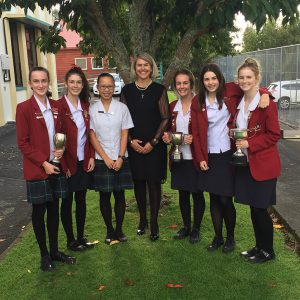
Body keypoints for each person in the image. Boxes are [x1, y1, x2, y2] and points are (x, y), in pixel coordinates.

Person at [191, 63, 270, 253]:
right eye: (207, 79)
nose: (211, 83)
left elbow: (250, 84)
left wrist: (266, 92)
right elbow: (196, 131)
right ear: (202, 81)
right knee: (214, 199)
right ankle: (217, 237)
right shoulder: (197, 101)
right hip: (208, 155)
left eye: (214, 78)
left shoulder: (230, 90)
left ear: (220, 79)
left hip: (227, 153)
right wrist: (200, 157)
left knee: (226, 199)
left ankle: (230, 238)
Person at [16, 66, 75, 272]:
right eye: (36, 81)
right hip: (38, 169)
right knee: (39, 212)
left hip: (56, 166)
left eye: (44, 81)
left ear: (48, 83)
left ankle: (55, 251)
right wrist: (44, 163)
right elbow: (23, 143)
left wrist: (62, 150)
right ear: (30, 84)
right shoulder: (23, 108)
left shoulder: (57, 106)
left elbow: (62, 133)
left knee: (54, 211)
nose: (40, 85)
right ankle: (44, 255)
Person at [234, 58, 281, 263]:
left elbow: (274, 135)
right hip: (246, 165)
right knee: (254, 208)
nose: (245, 81)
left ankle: (268, 251)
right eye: (241, 77)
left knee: (261, 209)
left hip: (263, 165)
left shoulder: (266, 103)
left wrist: (249, 145)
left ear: (257, 79)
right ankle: (258, 246)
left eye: (249, 77)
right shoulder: (239, 100)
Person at [120, 53, 170, 241]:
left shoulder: (159, 89)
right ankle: (142, 220)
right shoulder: (127, 90)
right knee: (139, 183)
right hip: (134, 145)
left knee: (154, 184)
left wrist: (153, 142)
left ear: (152, 68)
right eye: (139, 65)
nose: (142, 68)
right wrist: (131, 140)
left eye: (146, 65)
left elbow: (165, 117)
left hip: (154, 146)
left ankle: (154, 222)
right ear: (135, 68)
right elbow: (122, 118)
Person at [89, 73, 134, 244]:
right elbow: (92, 136)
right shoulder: (92, 110)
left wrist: (120, 157)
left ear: (114, 87)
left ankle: (119, 230)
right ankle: (109, 230)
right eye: (103, 86)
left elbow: (125, 134)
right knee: (104, 197)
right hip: (102, 159)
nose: (106, 89)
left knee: (119, 195)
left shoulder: (122, 108)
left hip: (120, 157)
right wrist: (106, 158)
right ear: (98, 88)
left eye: (109, 86)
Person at [162, 69, 205, 243]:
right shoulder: (173, 106)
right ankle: (186, 226)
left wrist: (194, 139)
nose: (181, 86)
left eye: (185, 83)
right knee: (183, 194)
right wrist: (167, 137)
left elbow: (205, 131)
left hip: (195, 157)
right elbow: (171, 130)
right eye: (178, 83)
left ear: (191, 84)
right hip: (179, 157)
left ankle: (196, 229)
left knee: (197, 194)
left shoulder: (200, 104)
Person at [59, 66, 95, 251]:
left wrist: (90, 157)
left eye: (78, 82)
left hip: (83, 161)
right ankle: (70, 240)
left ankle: (81, 237)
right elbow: (57, 140)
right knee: (67, 201)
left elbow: (88, 135)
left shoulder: (85, 106)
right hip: (67, 163)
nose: (75, 85)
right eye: (72, 82)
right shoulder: (59, 106)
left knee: (81, 200)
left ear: (83, 85)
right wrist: (63, 164)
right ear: (66, 84)